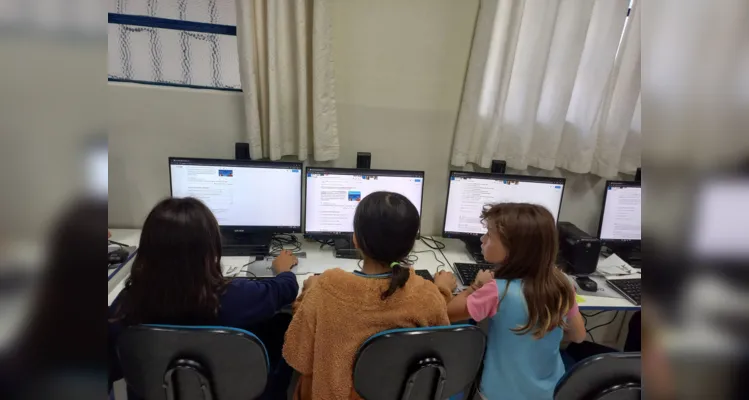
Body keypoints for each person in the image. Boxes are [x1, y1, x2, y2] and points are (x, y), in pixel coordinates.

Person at [108, 197, 299, 399]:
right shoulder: (235, 296)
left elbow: (112, 370)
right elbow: (286, 289)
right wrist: (283, 270)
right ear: (211, 249)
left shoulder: (125, 306)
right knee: (284, 323)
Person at [283, 191, 457, 399]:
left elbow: (298, 355)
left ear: (355, 239)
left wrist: (308, 292)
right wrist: (443, 290)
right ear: (410, 246)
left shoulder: (325, 289)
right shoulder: (427, 295)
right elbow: (438, 334)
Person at [446, 203, 586, 400]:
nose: (482, 238)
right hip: (549, 391)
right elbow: (579, 335)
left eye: (489, 234)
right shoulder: (563, 284)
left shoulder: (496, 291)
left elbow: (448, 313)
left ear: (513, 248)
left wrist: (475, 286)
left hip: (499, 392)